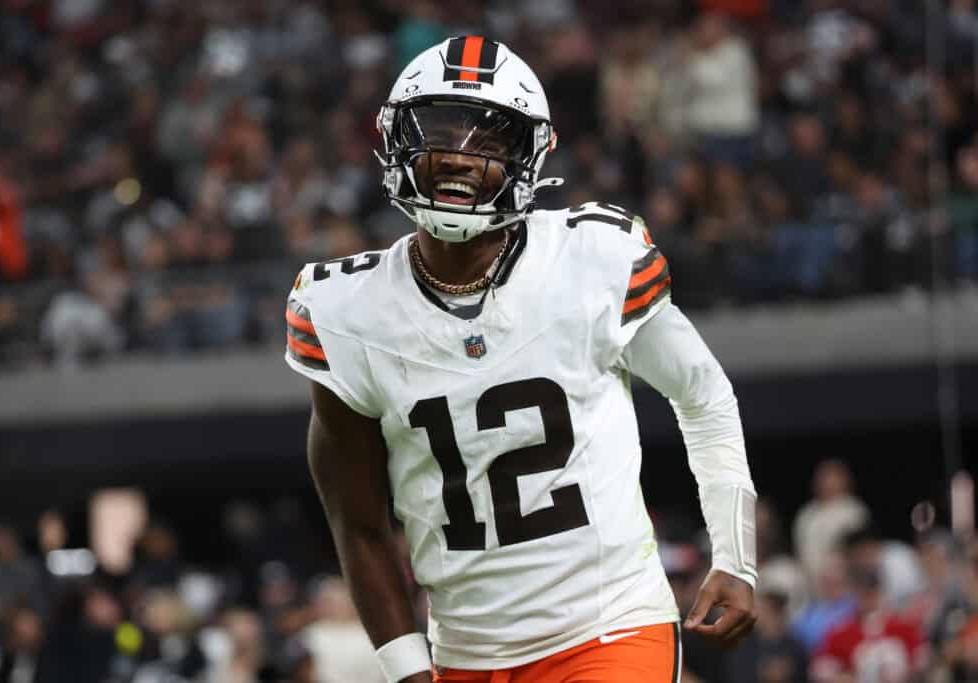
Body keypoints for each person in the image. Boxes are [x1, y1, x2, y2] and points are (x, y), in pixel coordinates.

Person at [284, 37, 758, 683]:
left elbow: (701, 392)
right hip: (465, 652)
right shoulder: (345, 309)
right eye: (439, 132)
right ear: (395, 142)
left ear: (530, 157)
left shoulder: (593, 258)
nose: (458, 156)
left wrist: (736, 555)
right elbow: (358, 518)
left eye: (489, 140)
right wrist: (407, 668)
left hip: (610, 627)